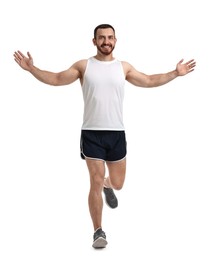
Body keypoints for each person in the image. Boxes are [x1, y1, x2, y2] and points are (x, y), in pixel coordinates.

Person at [13, 23, 196, 249]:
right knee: (95, 180)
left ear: (115, 41)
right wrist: (33, 69)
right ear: (94, 41)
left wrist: (175, 74)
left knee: (117, 183)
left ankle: (109, 186)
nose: (106, 41)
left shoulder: (124, 67)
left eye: (110, 37)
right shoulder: (84, 66)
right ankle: (98, 231)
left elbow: (148, 80)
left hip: (116, 133)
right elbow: (57, 78)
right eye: (101, 38)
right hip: (91, 133)